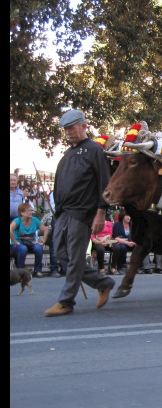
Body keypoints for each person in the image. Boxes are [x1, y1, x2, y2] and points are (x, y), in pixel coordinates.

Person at [44, 109, 115, 317]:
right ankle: (103, 282)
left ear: (84, 126)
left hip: (82, 213)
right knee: (62, 254)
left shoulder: (94, 150)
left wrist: (101, 213)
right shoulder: (68, 154)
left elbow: (105, 184)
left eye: (71, 128)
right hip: (63, 213)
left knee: (74, 258)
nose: (68, 132)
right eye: (65, 129)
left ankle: (66, 301)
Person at [10, 202, 49, 277]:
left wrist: (43, 242)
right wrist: (14, 241)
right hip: (18, 244)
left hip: (30, 243)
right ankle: (20, 271)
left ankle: (38, 270)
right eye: (29, 211)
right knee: (23, 248)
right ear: (22, 213)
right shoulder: (17, 220)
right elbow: (10, 229)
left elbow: (46, 230)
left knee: (38, 248)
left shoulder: (34, 220)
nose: (31, 212)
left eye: (31, 210)